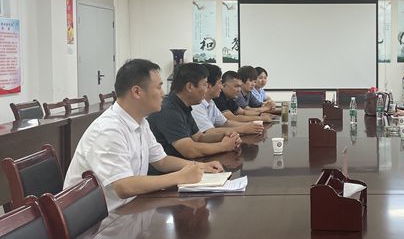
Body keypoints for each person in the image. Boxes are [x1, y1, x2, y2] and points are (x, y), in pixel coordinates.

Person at [63, 59, 224, 212]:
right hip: (104, 222)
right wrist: (180, 177)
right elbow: (124, 186)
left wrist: (199, 166)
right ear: (137, 92)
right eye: (159, 87)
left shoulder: (141, 122)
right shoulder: (109, 130)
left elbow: (161, 161)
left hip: (130, 209)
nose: (163, 93)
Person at [147, 62, 241, 161]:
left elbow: (199, 137)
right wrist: (224, 146)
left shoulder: (184, 105)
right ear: (189, 87)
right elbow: (190, 150)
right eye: (205, 85)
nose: (206, 89)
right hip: (171, 169)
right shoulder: (168, 110)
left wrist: (224, 135)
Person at [191, 64, 264, 137]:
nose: (221, 86)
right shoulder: (196, 105)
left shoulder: (211, 102)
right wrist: (242, 129)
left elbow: (225, 123)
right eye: (220, 83)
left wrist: (250, 126)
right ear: (208, 85)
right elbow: (207, 132)